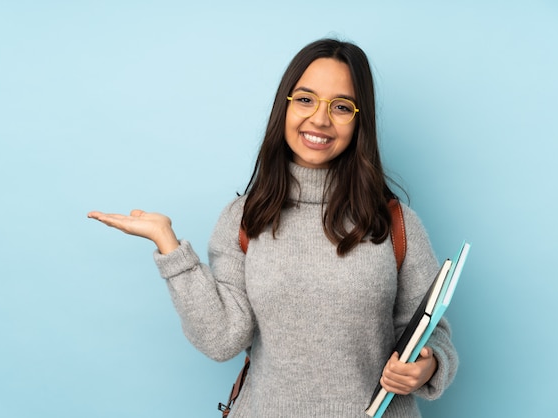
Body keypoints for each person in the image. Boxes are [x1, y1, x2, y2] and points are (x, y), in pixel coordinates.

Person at [88, 38, 458, 418]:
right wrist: (169, 246)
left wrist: (426, 367)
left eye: (342, 106)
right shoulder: (244, 219)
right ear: (284, 105)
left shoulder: (395, 224)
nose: (320, 119)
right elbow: (222, 339)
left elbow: (432, 336)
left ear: (360, 120)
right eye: (305, 99)